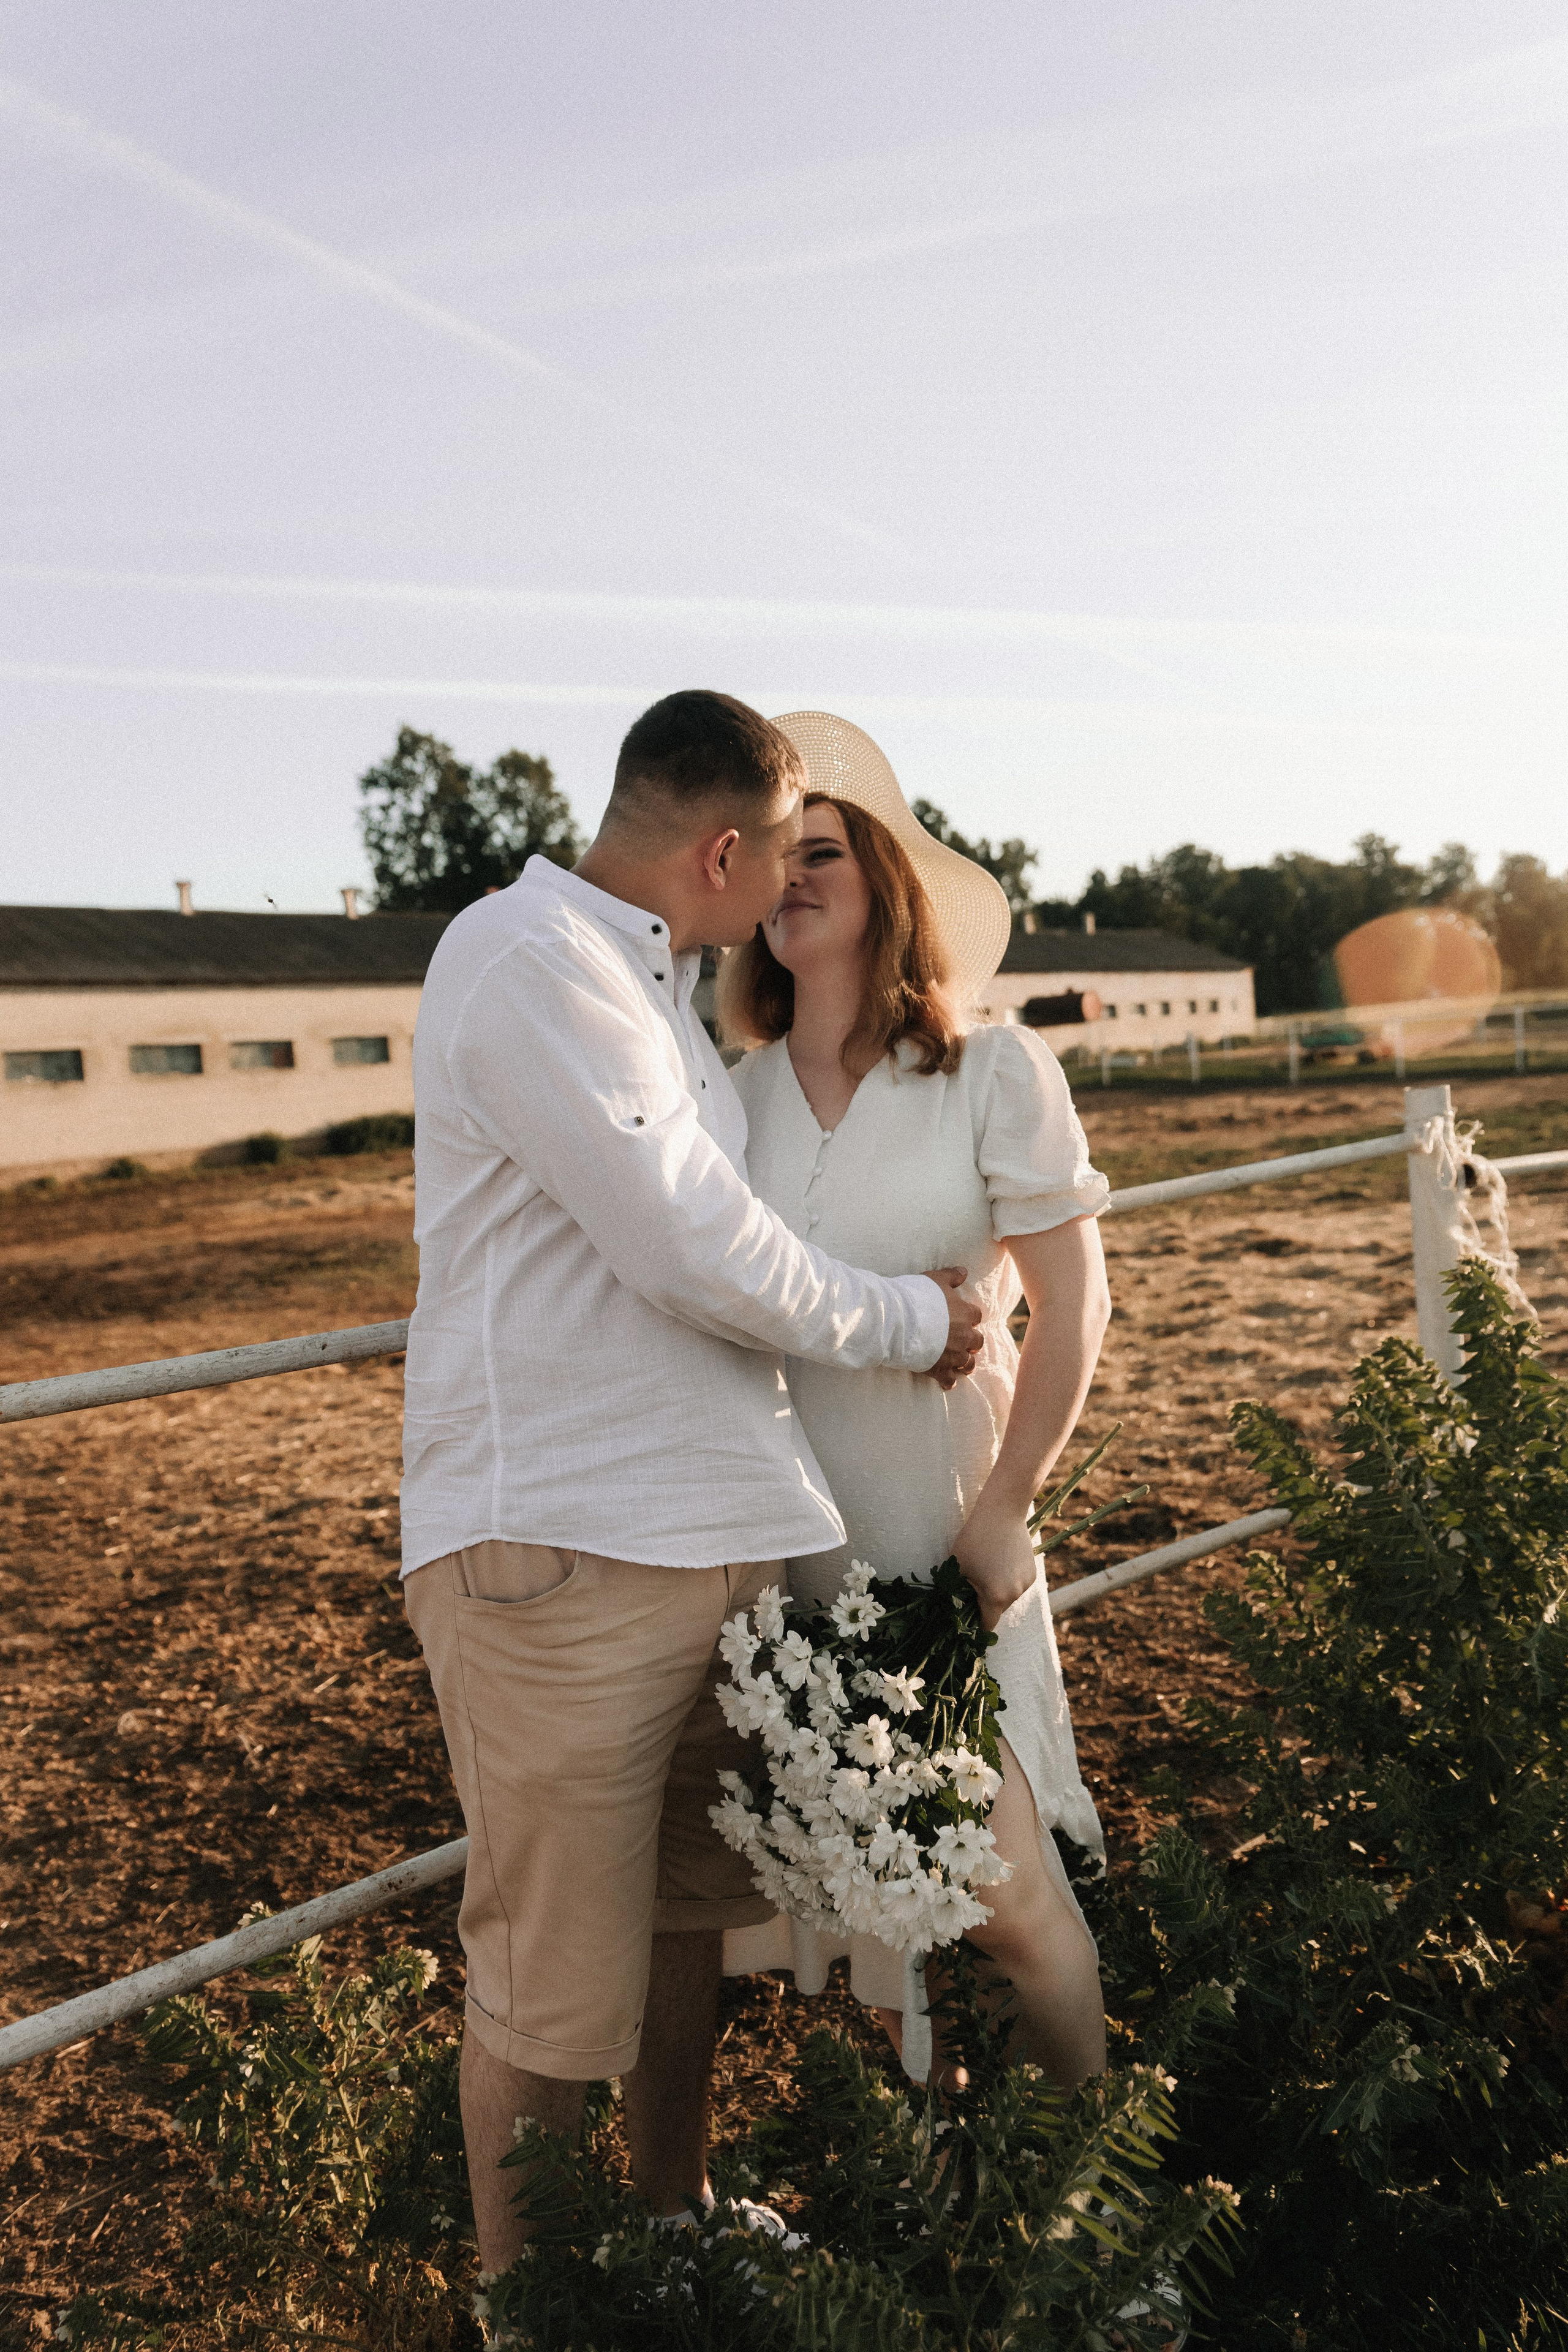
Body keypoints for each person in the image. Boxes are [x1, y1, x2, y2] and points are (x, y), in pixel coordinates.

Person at [399, 690, 984, 2273]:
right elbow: (691, 1249)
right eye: (782, 856)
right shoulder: (528, 961)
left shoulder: (650, 991)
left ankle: (670, 2225)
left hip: (700, 1540)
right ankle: (534, 2314)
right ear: (722, 853)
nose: (788, 887)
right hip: (561, 1555)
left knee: (683, 1925)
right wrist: (911, 1320)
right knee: (545, 1988)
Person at [719, 710, 1112, 2087]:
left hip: (948, 1536)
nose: (791, 875)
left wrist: (1006, 1511)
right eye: (775, 854)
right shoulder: (729, 1102)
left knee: (1005, 1898)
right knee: (891, 1890)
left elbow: (1075, 1306)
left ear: (888, 882)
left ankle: (1095, 2192)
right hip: (795, 1562)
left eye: (822, 851)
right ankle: (949, 2178)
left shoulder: (988, 1071)